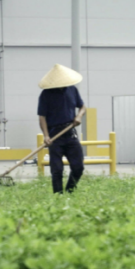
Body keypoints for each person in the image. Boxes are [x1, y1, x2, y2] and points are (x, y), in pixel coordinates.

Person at [37, 64, 86, 194]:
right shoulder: (46, 94)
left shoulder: (72, 90)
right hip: (54, 135)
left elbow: (82, 107)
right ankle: (58, 195)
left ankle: (70, 191)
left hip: (70, 133)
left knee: (78, 167)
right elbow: (42, 117)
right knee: (57, 169)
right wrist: (46, 136)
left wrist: (79, 116)